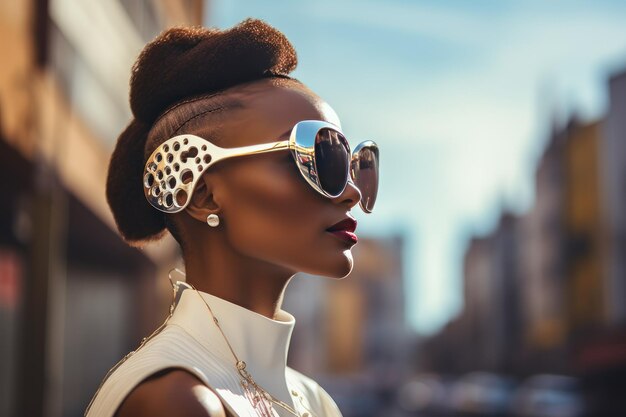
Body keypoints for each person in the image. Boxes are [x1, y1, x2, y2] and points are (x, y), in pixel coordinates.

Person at [85, 17, 379, 417]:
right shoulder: (177, 401)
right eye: (322, 157)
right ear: (202, 193)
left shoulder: (316, 401)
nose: (351, 192)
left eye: (354, 163)